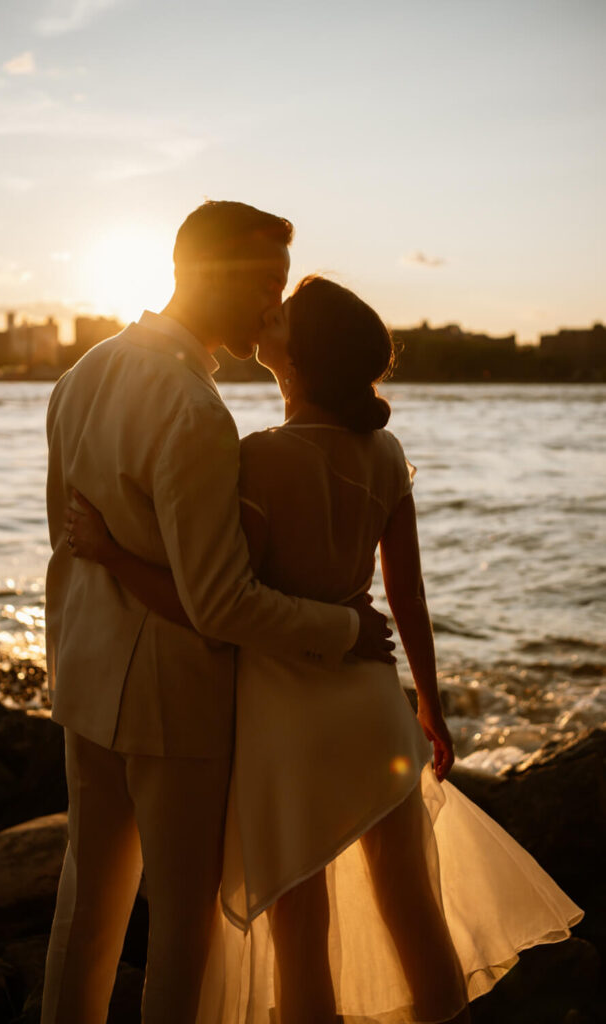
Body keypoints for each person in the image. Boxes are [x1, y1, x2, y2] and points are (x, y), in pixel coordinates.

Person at [66, 275, 584, 1024]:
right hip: (375, 705)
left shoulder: (260, 459)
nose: (262, 314)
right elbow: (407, 598)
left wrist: (113, 555)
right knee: (413, 912)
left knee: (299, 932)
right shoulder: (384, 450)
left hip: (289, 715)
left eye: (280, 315)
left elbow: (216, 607)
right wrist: (428, 706)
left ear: (298, 355)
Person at [41, 203, 395, 1024]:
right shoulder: (196, 413)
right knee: (181, 937)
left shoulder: (81, 375)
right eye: (267, 285)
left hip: (86, 680)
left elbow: (67, 543)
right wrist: (343, 630)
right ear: (214, 274)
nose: (273, 310)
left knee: (84, 909)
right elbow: (221, 602)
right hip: (173, 700)